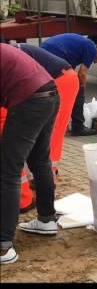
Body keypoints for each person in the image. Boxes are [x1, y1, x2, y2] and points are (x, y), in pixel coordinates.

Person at [0, 43, 79, 212]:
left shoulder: (9, 55)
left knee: (16, 158)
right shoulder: (9, 51)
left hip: (56, 84)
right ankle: (44, 213)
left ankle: (23, 199)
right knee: (37, 155)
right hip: (44, 89)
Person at [1, 43, 60, 265]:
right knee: (39, 161)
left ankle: (3, 246)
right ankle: (47, 220)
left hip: (30, 101)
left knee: (7, 171)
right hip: (49, 95)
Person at [41, 33, 97, 136]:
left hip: (45, 51)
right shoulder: (91, 48)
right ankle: (78, 127)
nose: (95, 63)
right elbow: (82, 73)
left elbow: (71, 70)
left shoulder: (81, 47)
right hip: (54, 54)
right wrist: (82, 87)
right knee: (78, 91)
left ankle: (55, 123)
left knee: (60, 88)